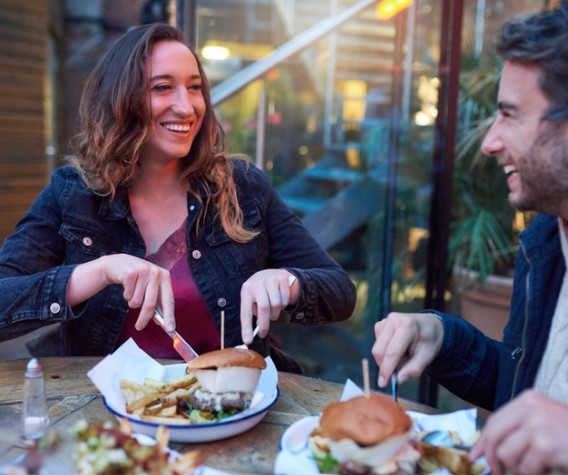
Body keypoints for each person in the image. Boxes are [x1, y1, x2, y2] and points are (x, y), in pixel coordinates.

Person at [0, 23, 356, 372]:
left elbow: (340, 292)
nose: (186, 107)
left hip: (225, 411)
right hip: (109, 417)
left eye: (195, 87)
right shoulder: (72, 194)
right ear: (121, 100)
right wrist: (100, 271)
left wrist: (287, 282)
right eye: (163, 87)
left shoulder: (243, 187)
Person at [372, 2, 568, 474]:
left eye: (510, 114)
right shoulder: (544, 245)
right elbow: (528, 390)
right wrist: (437, 336)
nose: (489, 141)